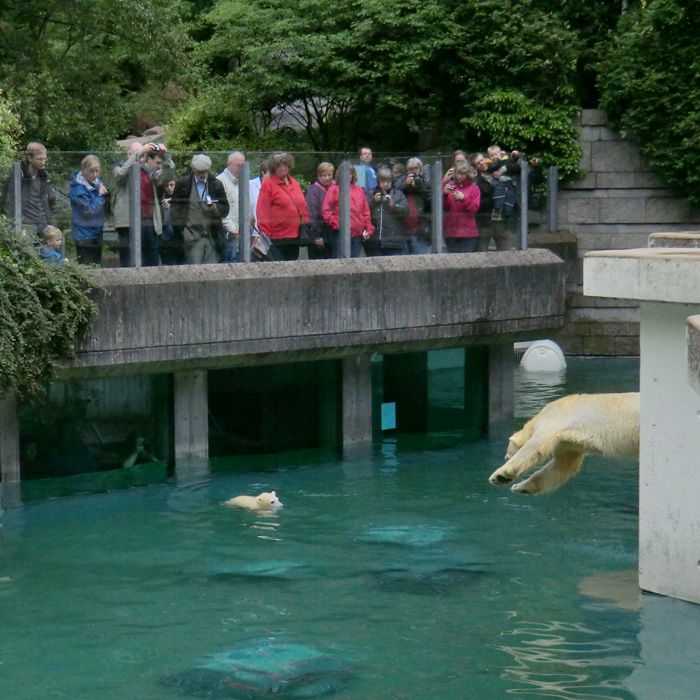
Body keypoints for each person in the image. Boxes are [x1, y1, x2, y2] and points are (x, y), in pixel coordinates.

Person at [171, 153, 229, 265]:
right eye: (199, 171)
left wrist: (216, 209)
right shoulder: (183, 184)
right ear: (193, 169)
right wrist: (182, 231)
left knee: (212, 271)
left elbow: (225, 208)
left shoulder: (216, 184)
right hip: (191, 237)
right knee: (194, 271)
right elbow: (175, 210)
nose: (202, 174)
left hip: (212, 236)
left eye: (205, 171)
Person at [256, 152, 310, 262]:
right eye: (279, 166)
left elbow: (302, 205)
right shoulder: (268, 183)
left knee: (292, 265)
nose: (283, 168)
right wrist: (265, 233)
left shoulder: (294, 182)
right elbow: (262, 210)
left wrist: (306, 223)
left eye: (285, 165)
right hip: (277, 236)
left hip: (295, 234)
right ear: (273, 168)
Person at [1, 142, 57, 236]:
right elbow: (8, 202)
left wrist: (53, 225)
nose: (43, 162)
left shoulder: (45, 177)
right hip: (26, 225)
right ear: (30, 158)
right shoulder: (18, 175)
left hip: (44, 225)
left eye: (44, 159)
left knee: (49, 250)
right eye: (39, 159)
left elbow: (52, 202)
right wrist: (15, 226)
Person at [322, 164, 374, 258]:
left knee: (354, 263)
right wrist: (337, 225)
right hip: (339, 235)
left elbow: (365, 212)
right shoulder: (333, 190)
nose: (347, 176)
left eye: (349, 174)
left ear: (353, 175)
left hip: (357, 234)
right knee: (339, 263)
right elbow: (326, 211)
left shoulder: (359, 190)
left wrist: (368, 229)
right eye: (344, 174)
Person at [69, 154, 110, 266]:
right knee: (86, 266)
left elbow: (106, 209)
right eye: (92, 172)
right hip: (83, 233)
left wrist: (107, 195)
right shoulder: (77, 189)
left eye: (97, 171)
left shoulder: (98, 183)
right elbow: (88, 210)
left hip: (96, 231)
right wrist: (101, 196)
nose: (95, 175)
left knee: (97, 264)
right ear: (83, 171)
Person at [111, 140, 144, 266]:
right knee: (126, 257)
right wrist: (138, 156)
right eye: (137, 154)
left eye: (142, 155)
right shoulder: (117, 167)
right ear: (129, 154)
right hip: (125, 220)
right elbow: (120, 176)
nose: (140, 158)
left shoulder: (146, 169)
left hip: (143, 219)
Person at [471, 152, 510, 252]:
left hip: (501, 219)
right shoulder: (476, 182)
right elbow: (478, 203)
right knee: (482, 250)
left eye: (482, 160)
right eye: (478, 163)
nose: (482, 163)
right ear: (475, 167)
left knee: (506, 249)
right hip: (485, 221)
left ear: (486, 159)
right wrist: (493, 198)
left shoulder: (497, 172)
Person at [367, 167, 408, 256]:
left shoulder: (398, 194)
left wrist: (393, 206)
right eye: (383, 182)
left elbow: (405, 212)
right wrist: (374, 202)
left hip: (393, 241)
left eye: (388, 182)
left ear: (392, 182)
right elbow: (364, 211)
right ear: (378, 182)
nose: (385, 184)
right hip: (375, 241)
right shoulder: (372, 193)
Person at [395, 157, 432, 255]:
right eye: (410, 170)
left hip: (421, 230)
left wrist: (419, 187)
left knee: (423, 260)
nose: (413, 172)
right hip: (404, 229)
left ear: (421, 170)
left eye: (416, 169)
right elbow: (395, 193)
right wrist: (406, 184)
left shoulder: (427, 181)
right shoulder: (403, 180)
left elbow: (431, 201)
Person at [442, 161, 481, 253]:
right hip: (451, 232)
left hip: (468, 233)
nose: (459, 177)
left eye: (462, 174)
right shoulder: (449, 186)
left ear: (467, 174)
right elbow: (444, 207)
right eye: (457, 174)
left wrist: (463, 198)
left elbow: (474, 208)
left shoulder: (474, 188)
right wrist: (444, 195)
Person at [217, 151, 246, 262]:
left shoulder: (243, 182)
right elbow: (220, 210)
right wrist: (232, 229)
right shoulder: (220, 182)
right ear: (229, 165)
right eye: (238, 166)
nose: (241, 169)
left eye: (242, 166)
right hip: (228, 235)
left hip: (243, 234)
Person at [304, 162, 334, 260]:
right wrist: (317, 235)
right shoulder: (313, 190)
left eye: (329, 175)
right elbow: (311, 214)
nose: (327, 178)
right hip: (319, 232)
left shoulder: (333, 188)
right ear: (319, 176)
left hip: (331, 231)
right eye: (324, 176)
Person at [157, 178, 184, 265]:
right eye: (167, 186)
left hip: (180, 236)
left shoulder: (182, 198)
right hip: (166, 237)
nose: (169, 188)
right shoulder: (160, 200)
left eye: (172, 185)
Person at [249, 161, 269, 232]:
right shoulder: (250, 185)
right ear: (263, 173)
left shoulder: (276, 187)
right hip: (253, 230)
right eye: (270, 174)